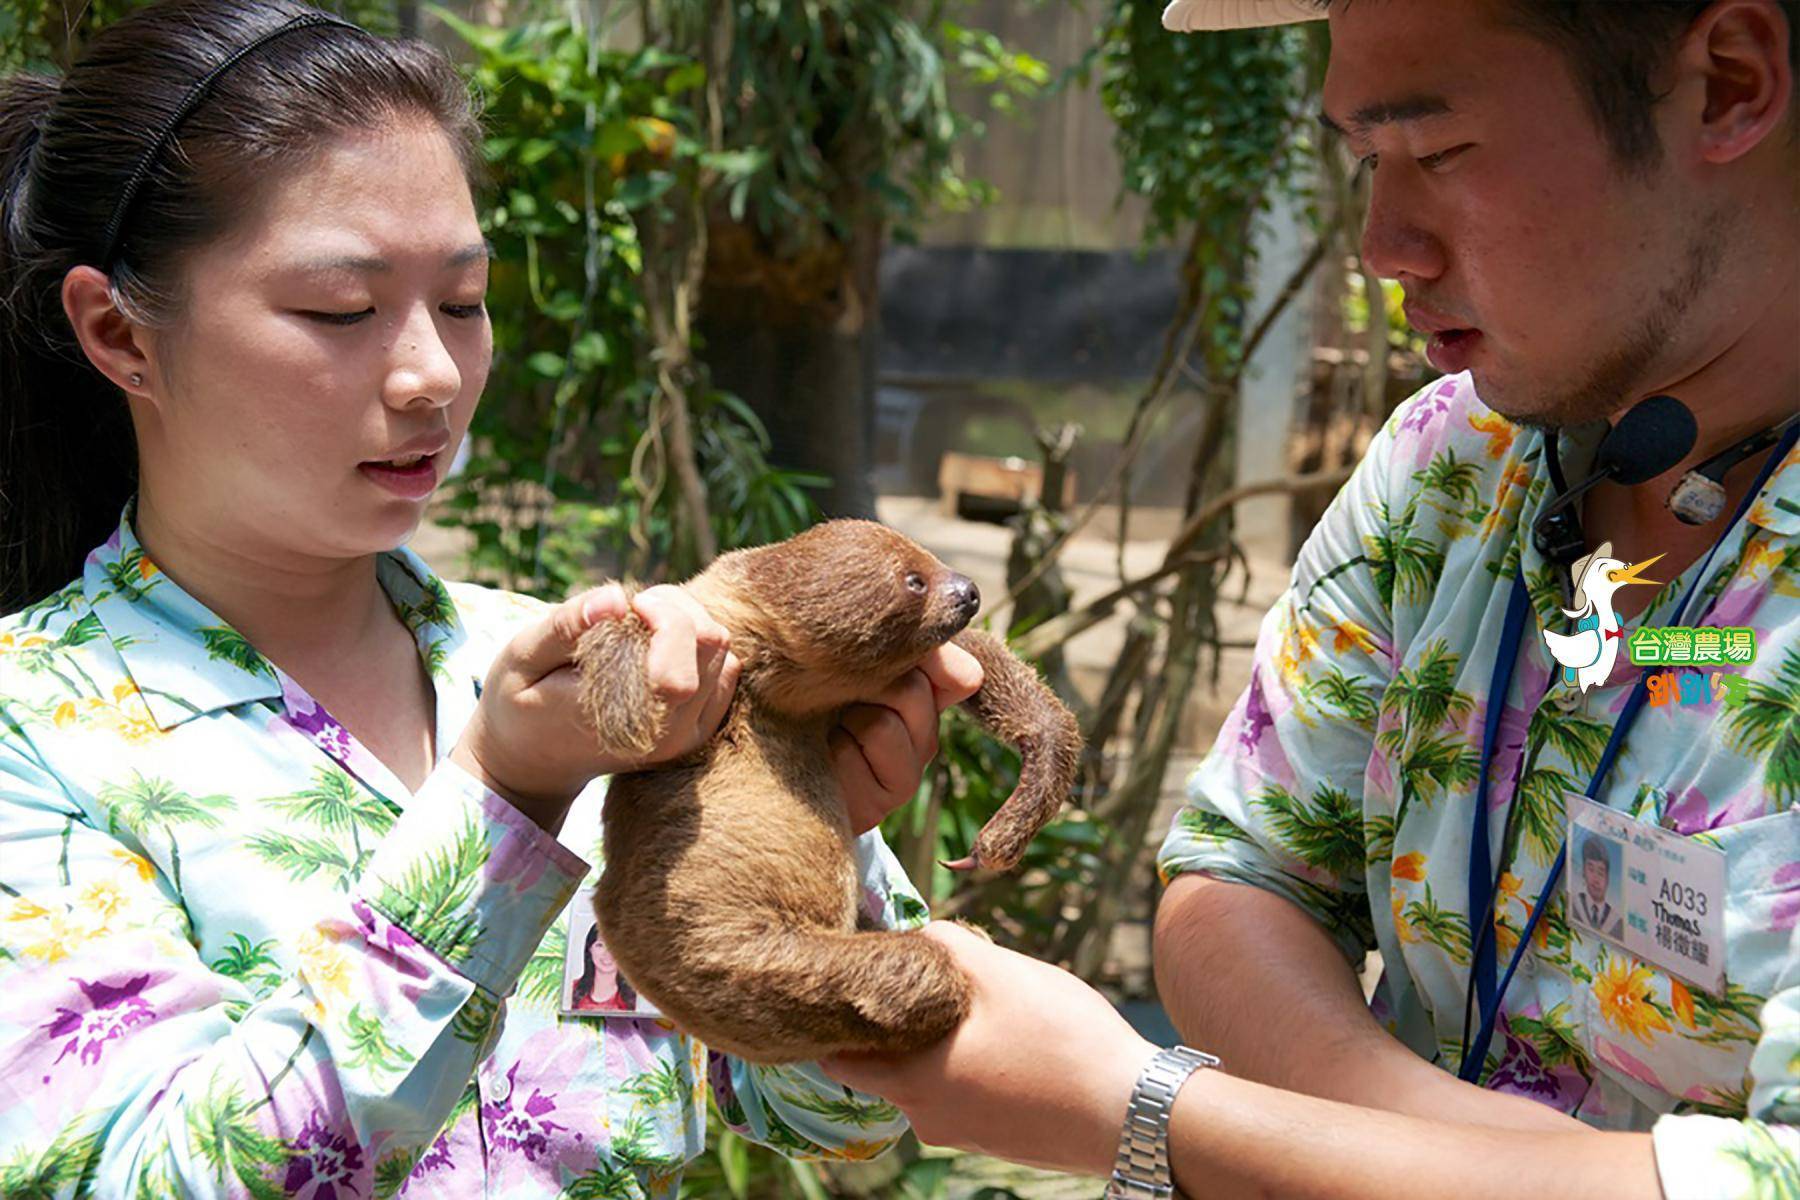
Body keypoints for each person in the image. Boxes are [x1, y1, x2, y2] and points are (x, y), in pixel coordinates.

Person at [825, 1, 1799, 1197]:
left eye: (1441, 152)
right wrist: (1446, 1148)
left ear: (1731, 86)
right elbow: (1241, 874)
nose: (1382, 244)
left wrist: (1145, 1115)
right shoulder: (1455, 457)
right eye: (1362, 160)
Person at [0, 2, 976, 1195]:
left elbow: (843, 1129)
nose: (431, 375)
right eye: (340, 311)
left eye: (462, 302)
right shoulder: (30, 732)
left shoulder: (582, 672)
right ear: (118, 332)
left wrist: (829, 847)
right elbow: (134, 1177)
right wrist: (502, 806)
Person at [572, 923, 639, 1014]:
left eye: (614, 945)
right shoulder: (572, 990)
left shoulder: (635, 997)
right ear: (589, 949)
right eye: (600, 945)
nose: (607, 953)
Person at [1572, 837, 1625, 941]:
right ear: (1583, 871)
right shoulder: (1573, 905)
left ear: (1608, 879)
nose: (1595, 879)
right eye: (1591, 869)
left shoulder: (1618, 924)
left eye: (1601, 873)